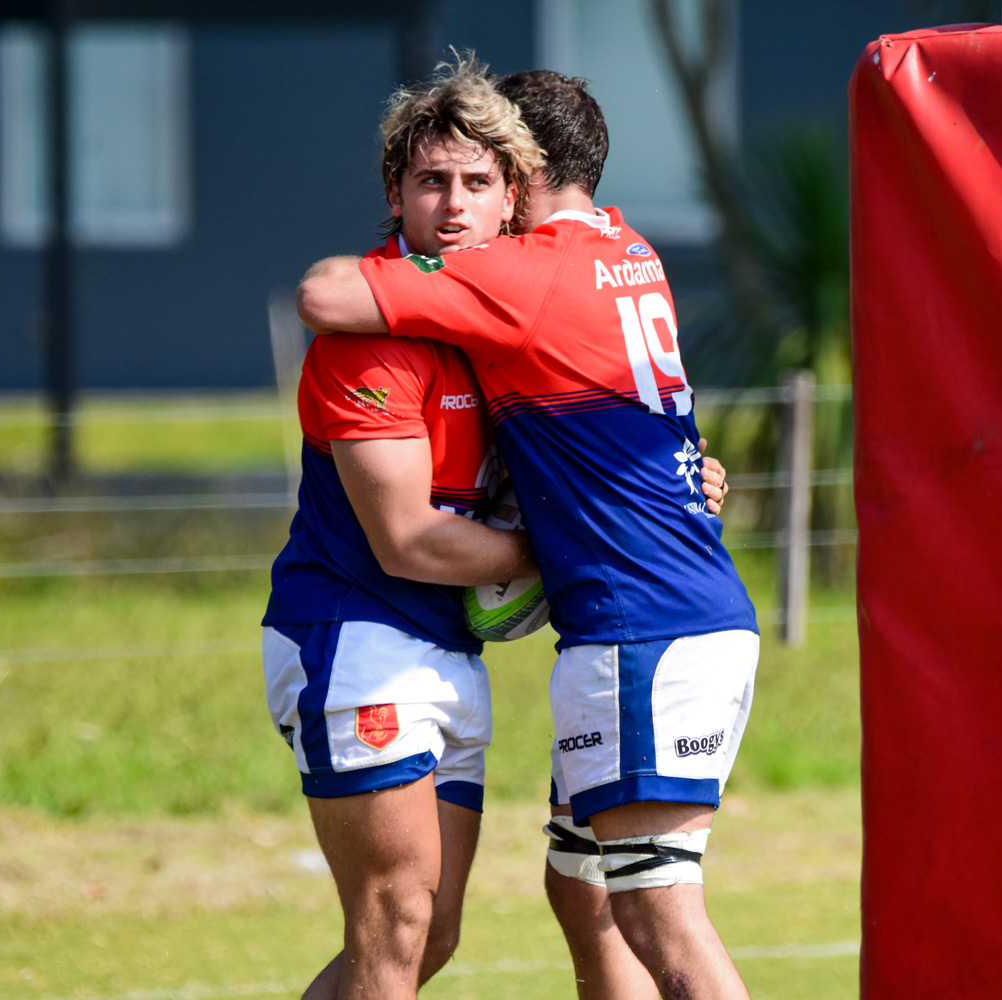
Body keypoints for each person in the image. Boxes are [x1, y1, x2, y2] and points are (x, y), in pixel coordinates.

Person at [266, 59, 728, 1000]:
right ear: (395, 192)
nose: (454, 205)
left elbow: (601, 436)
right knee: (395, 926)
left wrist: (681, 483)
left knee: (429, 937)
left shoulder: (504, 315)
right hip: (357, 638)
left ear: (513, 196)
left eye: (477, 183)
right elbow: (409, 541)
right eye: (431, 181)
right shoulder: (372, 331)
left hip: (449, 650)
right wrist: (587, 553)